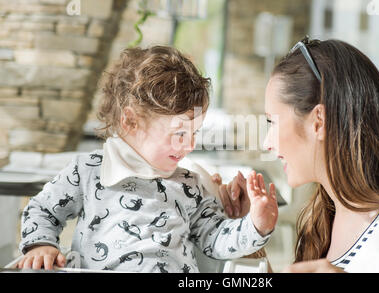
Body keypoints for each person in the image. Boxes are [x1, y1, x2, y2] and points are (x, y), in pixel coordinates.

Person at [17, 46, 278, 272]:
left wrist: (255, 226)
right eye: (179, 133)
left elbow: (215, 239)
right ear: (130, 122)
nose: (190, 144)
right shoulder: (89, 171)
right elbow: (42, 209)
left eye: (194, 133)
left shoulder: (190, 185)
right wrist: (41, 245)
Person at [217, 37, 379, 273]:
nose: (267, 143)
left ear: (318, 121)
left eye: (272, 122)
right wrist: (248, 231)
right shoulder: (327, 213)